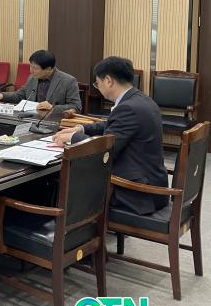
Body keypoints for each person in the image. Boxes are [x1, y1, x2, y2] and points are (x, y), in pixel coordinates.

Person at [53, 57, 168, 215]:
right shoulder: (140, 99)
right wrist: (81, 128)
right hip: (150, 182)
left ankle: (66, 226)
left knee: (61, 180)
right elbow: (111, 125)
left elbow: (105, 150)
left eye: (97, 83)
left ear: (108, 81)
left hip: (137, 192)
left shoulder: (128, 108)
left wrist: (72, 138)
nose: (98, 87)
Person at [0, 49, 81, 113]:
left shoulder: (68, 81)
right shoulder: (32, 78)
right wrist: (3, 95)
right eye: (30, 66)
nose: (31, 71)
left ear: (48, 69)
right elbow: (20, 95)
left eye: (35, 68)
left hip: (54, 122)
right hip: (31, 120)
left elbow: (76, 107)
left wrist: (52, 107)